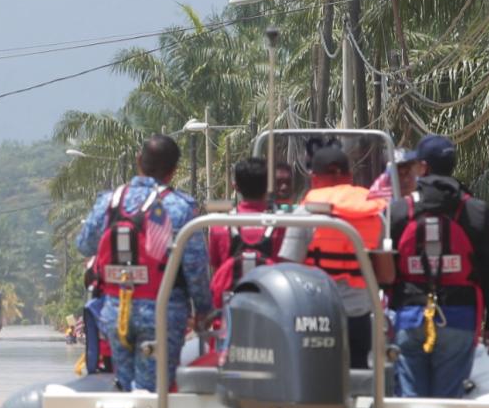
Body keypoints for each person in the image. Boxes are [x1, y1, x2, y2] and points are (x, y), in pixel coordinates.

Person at [76, 134, 212, 392]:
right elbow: (194, 268)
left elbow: (85, 244)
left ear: (139, 160)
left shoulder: (110, 202)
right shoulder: (179, 207)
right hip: (162, 315)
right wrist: (204, 309)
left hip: (115, 313)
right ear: (173, 171)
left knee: (126, 386)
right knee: (152, 393)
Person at [388, 135, 489, 398]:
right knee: (448, 401)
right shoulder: (474, 211)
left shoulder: (398, 212)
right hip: (459, 318)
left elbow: (384, 271)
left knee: (411, 401)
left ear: (423, 167)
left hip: (410, 317)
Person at [279, 147, 388, 369]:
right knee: (357, 379)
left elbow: (289, 270)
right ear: (349, 176)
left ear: (314, 178)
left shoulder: (304, 215)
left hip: (315, 315)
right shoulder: (375, 214)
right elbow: (386, 275)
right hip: (359, 314)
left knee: (315, 379)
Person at [207, 157, 285, 308]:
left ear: (235, 186)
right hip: (274, 313)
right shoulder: (283, 226)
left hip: (227, 317)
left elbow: (217, 272)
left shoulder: (220, 227)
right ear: (269, 186)